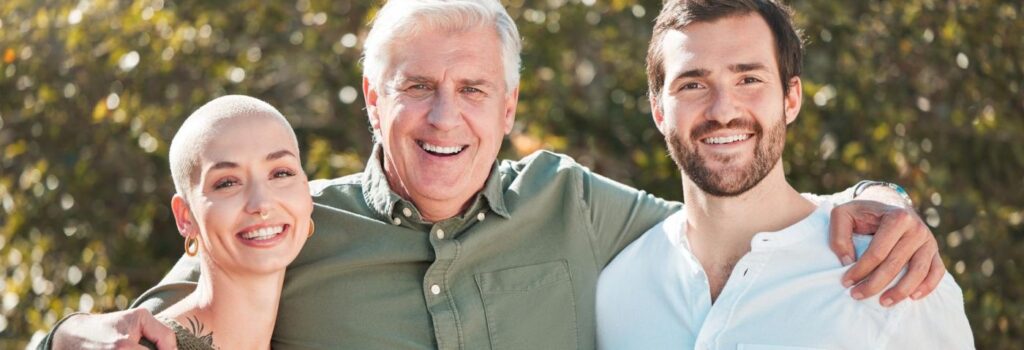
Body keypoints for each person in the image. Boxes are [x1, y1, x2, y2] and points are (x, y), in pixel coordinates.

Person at [44, 1, 945, 349]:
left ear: (508, 109)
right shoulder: (295, 225)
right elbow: (153, 321)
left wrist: (873, 201)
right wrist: (70, 336)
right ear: (371, 97)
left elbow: (728, 209)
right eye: (418, 88)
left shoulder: (573, 203)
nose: (447, 117)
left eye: (474, 89)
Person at [596, 1, 973, 348]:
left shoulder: (896, 278)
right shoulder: (615, 288)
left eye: (749, 80)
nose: (723, 110)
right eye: (693, 85)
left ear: (791, 99)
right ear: (659, 110)